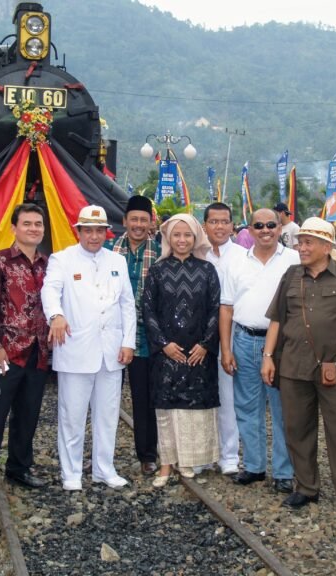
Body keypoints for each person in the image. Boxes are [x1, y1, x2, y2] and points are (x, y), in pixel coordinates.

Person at [261, 217, 336, 519]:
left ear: (326, 246)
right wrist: (268, 356)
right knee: (297, 429)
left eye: (308, 242)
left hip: (333, 366)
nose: (302, 248)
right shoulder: (291, 275)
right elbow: (277, 319)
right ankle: (306, 487)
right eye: (300, 242)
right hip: (293, 365)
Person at [42, 205, 136, 491]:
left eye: (99, 231)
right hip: (76, 350)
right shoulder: (62, 259)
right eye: (88, 230)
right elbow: (50, 290)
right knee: (72, 416)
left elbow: (127, 304)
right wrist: (56, 315)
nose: (94, 236)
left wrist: (128, 341)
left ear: (106, 233)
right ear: (78, 231)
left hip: (111, 351)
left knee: (107, 416)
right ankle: (71, 473)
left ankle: (104, 469)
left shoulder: (117, 261)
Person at [220, 208, 300, 494]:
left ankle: (284, 471)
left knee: (282, 409)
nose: (265, 230)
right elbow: (226, 308)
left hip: (282, 344)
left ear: (280, 228)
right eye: (259, 225)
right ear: (249, 230)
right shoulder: (236, 263)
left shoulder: (294, 260)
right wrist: (226, 349)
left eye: (271, 225)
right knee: (247, 406)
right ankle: (254, 466)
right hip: (245, 340)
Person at [0, 203, 49, 495]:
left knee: (28, 413)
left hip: (39, 352)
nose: (33, 229)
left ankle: (19, 467)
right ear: (14, 228)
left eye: (38, 224)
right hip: (7, 352)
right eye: (27, 223)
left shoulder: (48, 264)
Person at [143, 213, 221, 486]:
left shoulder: (207, 270)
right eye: (176, 235)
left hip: (199, 353)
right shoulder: (157, 271)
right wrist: (163, 344)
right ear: (168, 238)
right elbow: (148, 310)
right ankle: (166, 465)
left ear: (195, 237)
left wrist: (206, 344)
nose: (182, 240)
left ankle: (188, 461)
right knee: (166, 410)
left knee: (193, 410)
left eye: (187, 235)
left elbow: (215, 309)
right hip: (167, 353)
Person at [108, 195, 160, 475]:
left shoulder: (161, 252)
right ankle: (103, 457)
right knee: (105, 398)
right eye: (134, 219)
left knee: (144, 398)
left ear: (151, 223)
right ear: (125, 221)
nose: (138, 225)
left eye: (144, 220)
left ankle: (147, 454)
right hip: (111, 334)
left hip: (146, 337)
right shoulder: (108, 250)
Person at [203, 202, 246, 475]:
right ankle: (204, 452)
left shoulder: (244, 256)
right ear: (204, 225)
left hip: (232, 334)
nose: (219, 227)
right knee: (203, 394)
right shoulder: (198, 253)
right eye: (213, 221)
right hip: (200, 336)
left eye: (224, 221)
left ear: (232, 225)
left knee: (229, 396)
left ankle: (229, 455)